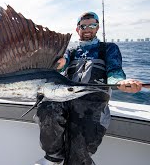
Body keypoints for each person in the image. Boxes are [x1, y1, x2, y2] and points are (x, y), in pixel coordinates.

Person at [35, 12, 143, 165]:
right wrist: (58, 63)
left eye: (92, 25)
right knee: (47, 108)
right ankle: (54, 157)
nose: (87, 29)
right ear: (77, 29)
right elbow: (62, 62)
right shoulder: (71, 50)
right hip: (66, 99)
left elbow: (114, 72)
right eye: (83, 26)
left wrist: (121, 82)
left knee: (77, 158)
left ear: (97, 27)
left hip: (92, 108)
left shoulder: (109, 49)